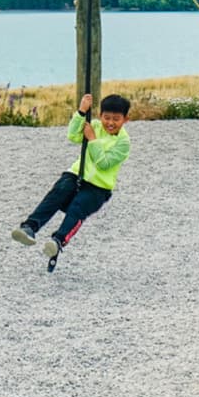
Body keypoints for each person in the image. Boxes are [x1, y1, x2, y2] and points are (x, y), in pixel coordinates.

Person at [12, 92, 131, 267]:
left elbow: (103, 164)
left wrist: (92, 140)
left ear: (125, 120)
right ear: (100, 115)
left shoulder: (123, 143)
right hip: (77, 174)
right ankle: (29, 227)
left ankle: (58, 241)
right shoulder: (94, 126)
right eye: (106, 118)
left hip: (99, 188)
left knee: (78, 207)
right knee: (56, 194)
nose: (110, 123)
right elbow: (73, 135)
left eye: (116, 119)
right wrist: (81, 112)